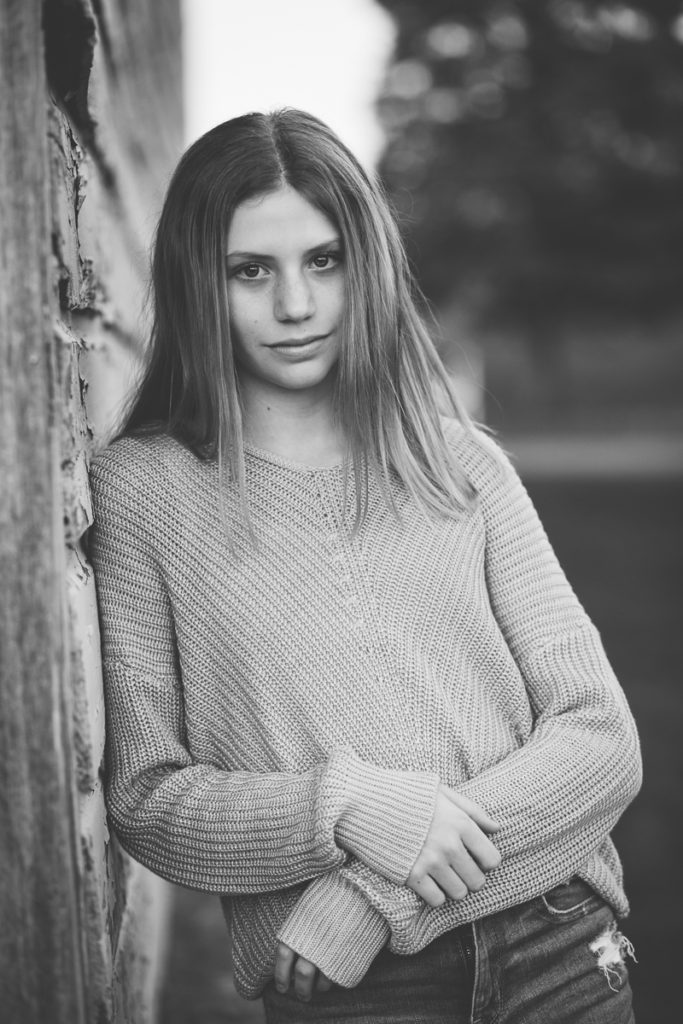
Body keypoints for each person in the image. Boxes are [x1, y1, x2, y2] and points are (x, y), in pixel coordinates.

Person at [89, 109, 642, 1024]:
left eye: (323, 260)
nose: (295, 307)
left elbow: (599, 737)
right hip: (354, 994)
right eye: (250, 271)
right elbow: (149, 799)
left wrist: (373, 899)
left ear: (366, 264)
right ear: (199, 282)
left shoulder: (460, 463)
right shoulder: (145, 493)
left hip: (554, 945)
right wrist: (342, 807)